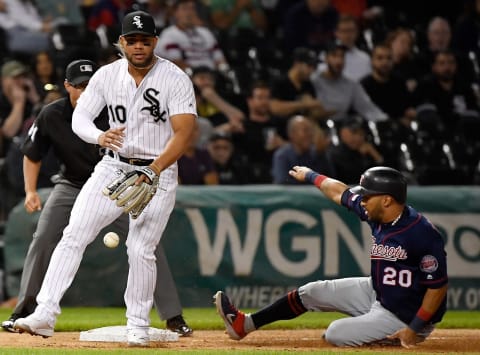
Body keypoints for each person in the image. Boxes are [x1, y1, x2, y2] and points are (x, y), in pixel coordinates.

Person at [13, 10, 197, 347]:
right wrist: (99, 137)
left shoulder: (175, 78)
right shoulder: (106, 76)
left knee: (140, 249)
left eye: (145, 40)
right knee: (73, 234)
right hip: (114, 167)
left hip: (158, 172)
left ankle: (138, 325)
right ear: (121, 43)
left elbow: (184, 134)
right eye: (132, 40)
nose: (138, 46)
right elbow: (80, 118)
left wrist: (153, 169)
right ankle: (44, 313)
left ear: (155, 41)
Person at [215, 165, 448, 348]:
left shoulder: (422, 234)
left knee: (335, 334)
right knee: (311, 292)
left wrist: (414, 328)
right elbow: (340, 193)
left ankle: (398, 339)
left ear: (386, 200)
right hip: (379, 291)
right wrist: (311, 176)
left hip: (404, 314)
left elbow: (437, 288)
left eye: (368, 196)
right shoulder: (377, 214)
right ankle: (244, 324)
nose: (363, 200)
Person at [311, 41, 388, 123]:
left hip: (342, 128)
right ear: (326, 58)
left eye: (342, 56)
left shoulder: (351, 85)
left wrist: (386, 120)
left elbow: (367, 108)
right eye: (334, 56)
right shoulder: (314, 81)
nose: (339, 61)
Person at [271, 116, 335, 184]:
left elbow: (330, 181)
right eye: (305, 130)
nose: (310, 134)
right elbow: (282, 184)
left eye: (311, 130)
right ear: (292, 134)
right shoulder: (282, 156)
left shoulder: (318, 153)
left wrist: (322, 154)